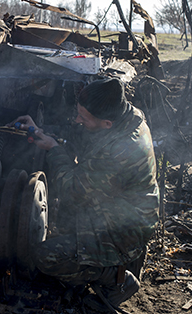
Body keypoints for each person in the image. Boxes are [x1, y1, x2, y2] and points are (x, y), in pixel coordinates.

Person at [11, 78, 159, 312]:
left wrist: (54, 150)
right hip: (117, 206)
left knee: (46, 256)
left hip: (125, 230)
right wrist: (42, 131)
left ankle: (118, 279)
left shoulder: (120, 151)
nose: (78, 119)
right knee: (65, 222)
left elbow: (72, 190)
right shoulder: (126, 116)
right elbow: (88, 140)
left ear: (107, 123)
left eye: (84, 117)